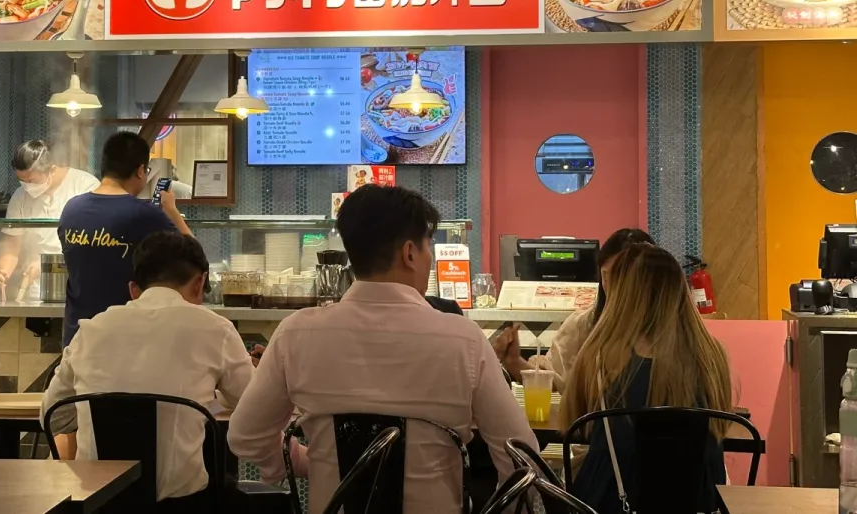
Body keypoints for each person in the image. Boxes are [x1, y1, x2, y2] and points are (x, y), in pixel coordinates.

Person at [228, 184, 537, 514]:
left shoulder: (295, 333)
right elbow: (522, 458)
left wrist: (308, 462)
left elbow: (247, 436)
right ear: (409, 253)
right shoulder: (465, 340)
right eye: (428, 247)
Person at [41, 230, 254, 510]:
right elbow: (254, 406)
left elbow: (52, 416)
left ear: (134, 290)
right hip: (184, 506)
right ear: (199, 283)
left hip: (99, 505)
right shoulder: (216, 328)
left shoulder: (91, 329)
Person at [560, 247, 732, 514]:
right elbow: (721, 425)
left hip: (610, 500)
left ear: (624, 294)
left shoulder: (600, 355)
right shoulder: (711, 356)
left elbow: (575, 423)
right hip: (700, 501)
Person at [57, 131, 192, 347]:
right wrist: (172, 211)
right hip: (125, 341)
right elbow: (195, 257)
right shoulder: (144, 214)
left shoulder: (71, 209)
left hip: (78, 339)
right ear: (140, 171)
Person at [493, 228, 656, 389]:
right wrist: (514, 362)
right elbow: (553, 380)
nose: (612, 285)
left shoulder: (665, 325)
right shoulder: (583, 323)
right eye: (606, 276)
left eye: (621, 276)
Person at [0, 140, 98, 297]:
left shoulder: (85, 186)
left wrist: (49, 265)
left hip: (81, 287)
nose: (27, 186)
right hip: (38, 291)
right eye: (22, 181)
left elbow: (94, 246)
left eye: (32, 181)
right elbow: (12, 245)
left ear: (52, 170)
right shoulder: (20, 196)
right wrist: (3, 271)